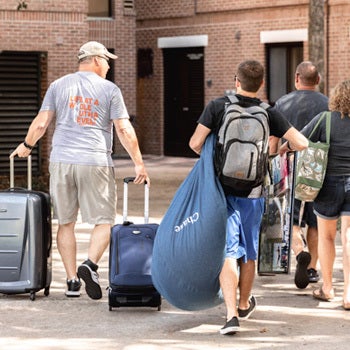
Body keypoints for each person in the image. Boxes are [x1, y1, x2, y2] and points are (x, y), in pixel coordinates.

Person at [9, 41, 150, 300]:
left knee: (65, 222)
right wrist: (139, 163)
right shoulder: (109, 89)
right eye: (106, 60)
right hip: (95, 161)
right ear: (96, 60)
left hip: (62, 161)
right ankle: (91, 264)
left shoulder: (57, 85)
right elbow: (124, 129)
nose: (108, 65)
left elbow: (41, 124)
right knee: (105, 221)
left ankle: (73, 281)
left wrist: (27, 145)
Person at [189, 60, 308, 335]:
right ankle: (244, 303)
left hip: (222, 191)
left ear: (236, 80)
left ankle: (231, 315)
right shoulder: (269, 112)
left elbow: (195, 143)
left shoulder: (218, 106)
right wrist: (283, 148)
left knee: (228, 250)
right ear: (261, 84)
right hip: (254, 192)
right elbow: (302, 143)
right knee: (249, 251)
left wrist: (213, 157)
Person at [290, 79, 350, 310]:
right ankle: (348, 293)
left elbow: (300, 140)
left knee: (326, 237)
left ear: (335, 98)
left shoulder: (325, 119)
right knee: (347, 236)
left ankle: (327, 288)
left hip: (328, 186)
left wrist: (284, 148)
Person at [274, 61, 329, 289]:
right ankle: (312, 268)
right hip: (320, 169)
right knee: (316, 221)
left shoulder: (282, 103)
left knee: (292, 218)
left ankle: (300, 252)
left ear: (297, 78)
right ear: (317, 80)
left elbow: (273, 141)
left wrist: (272, 165)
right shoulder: (328, 104)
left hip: (291, 166)